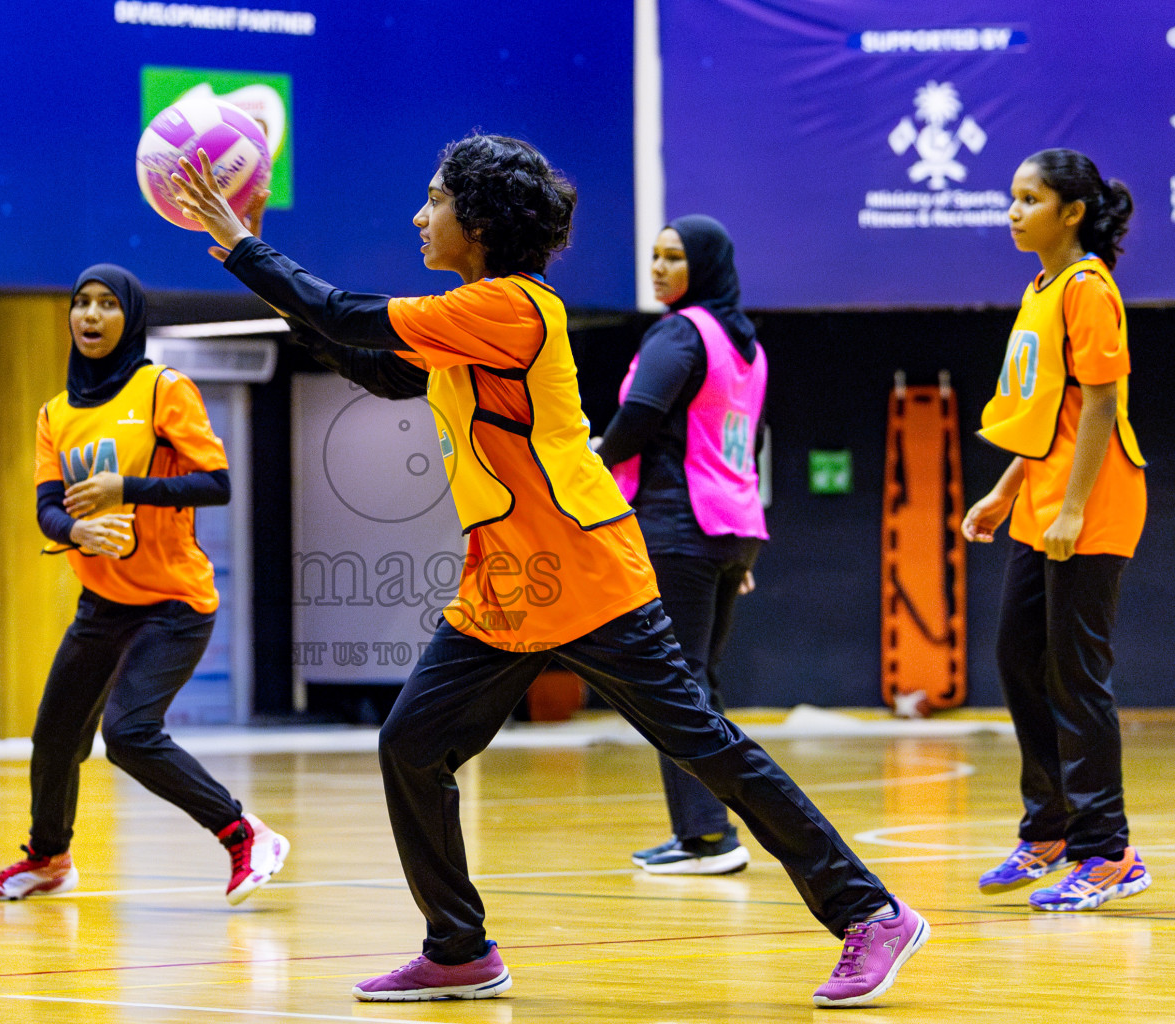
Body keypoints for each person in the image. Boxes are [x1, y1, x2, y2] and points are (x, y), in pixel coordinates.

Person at [171, 135, 926, 1007]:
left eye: (434, 200)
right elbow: (371, 364)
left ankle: (872, 913)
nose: (419, 218)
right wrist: (262, 271)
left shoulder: (510, 307)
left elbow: (345, 314)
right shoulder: (467, 320)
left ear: (481, 221)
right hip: (505, 585)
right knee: (411, 746)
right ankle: (458, 949)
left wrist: (245, 246)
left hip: (583, 568)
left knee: (704, 747)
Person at [0, 264, 288, 906]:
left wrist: (127, 489)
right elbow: (48, 507)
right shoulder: (55, 413)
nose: (90, 315)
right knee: (54, 736)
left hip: (174, 603)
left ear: (131, 317)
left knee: (131, 734)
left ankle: (244, 833)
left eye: (107, 304)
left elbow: (216, 483)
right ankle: (48, 859)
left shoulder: (163, 389)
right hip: (104, 603)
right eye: (81, 303)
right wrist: (76, 531)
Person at [962, 149, 1149, 911]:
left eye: (1030, 198)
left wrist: (1072, 506)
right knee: (1018, 659)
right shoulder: (1038, 288)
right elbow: (1050, 416)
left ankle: (1108, 852)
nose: (1014, 211)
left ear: (1071, 212)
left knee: (1077, 676)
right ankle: (1050, 830)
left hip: (1092, 502)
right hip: (1043, 499)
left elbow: (1101, 403)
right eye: (1012, 197)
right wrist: (1005, 491)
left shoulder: (1087, 287)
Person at [594, 216, 766, 876]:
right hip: (731, 529)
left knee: (674, 683)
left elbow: (640, 416)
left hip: (679, 524)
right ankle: (706, 828)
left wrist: (594, 463)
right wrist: (732, 550)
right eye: (655, 256)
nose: (659, 268)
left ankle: (707, 838)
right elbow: (747, 442)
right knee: (697, 681)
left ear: (704, 266)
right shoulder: (746, 346)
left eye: (674, 257)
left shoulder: (680, 332)